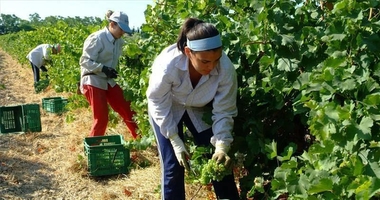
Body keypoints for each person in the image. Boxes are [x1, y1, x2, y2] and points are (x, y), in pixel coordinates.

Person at [146, 18, 240, 200]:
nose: (211, 66)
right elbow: (157, 100)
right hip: (167, 107)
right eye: (205, 61)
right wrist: (174, 139)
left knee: (219, 162)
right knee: (173, 165)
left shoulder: (226, 69)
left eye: (216, 59)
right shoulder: (168, 65)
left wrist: (222, 146)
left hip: (197, 107)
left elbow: (224, 110)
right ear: (189, 52)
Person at [78, 10, 138, 139]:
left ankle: (140, 140)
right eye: (121, 29)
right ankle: (94, 150)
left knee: (128, 109)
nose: (122, 33)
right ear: (112, 24)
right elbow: (84, 61)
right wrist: (103, 68)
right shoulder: (97, 38)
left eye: (124, 30)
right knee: (101, 118)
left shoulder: (118, 41)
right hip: (92, 79)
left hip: (107, 80)